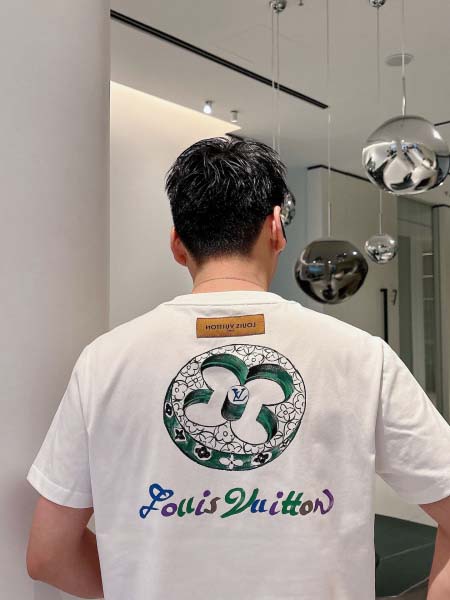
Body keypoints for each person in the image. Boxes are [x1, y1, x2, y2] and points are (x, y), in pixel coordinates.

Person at [26, 137, 450, 599]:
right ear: (276, 228)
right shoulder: (362, 357)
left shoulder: (104, 362)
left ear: (177, 243)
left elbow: (49, 553)